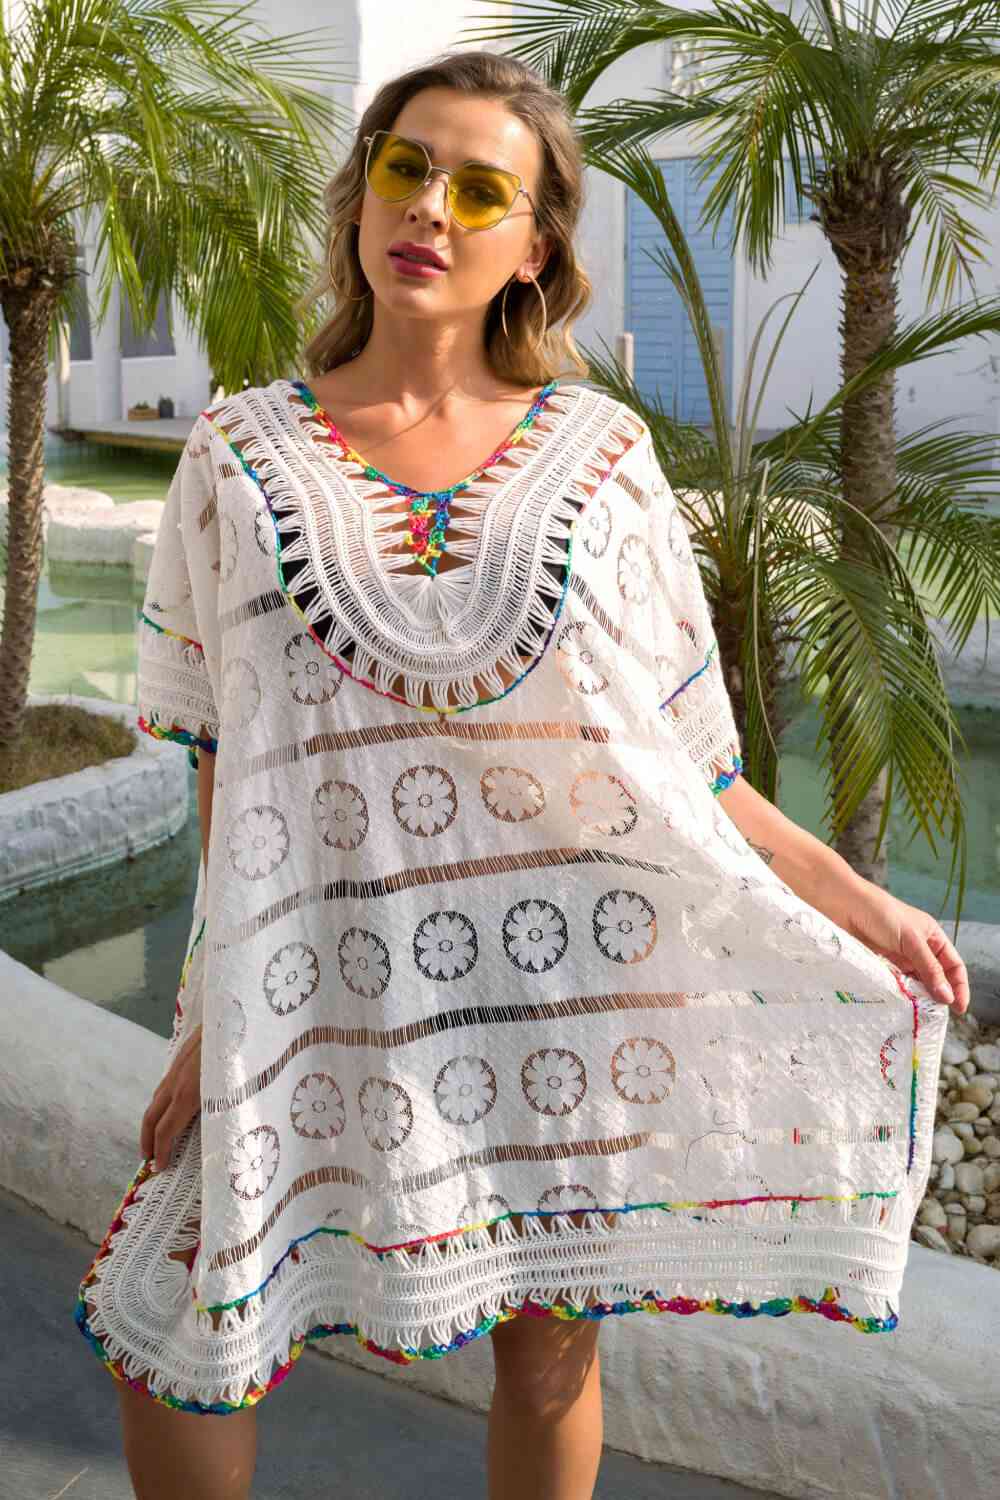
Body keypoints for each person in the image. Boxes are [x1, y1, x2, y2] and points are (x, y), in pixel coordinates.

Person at [74, 49, 966, 1500]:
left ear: (535, 248)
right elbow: (222, 760)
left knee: (549, 1350)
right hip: (320, 970)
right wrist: (214, 1001)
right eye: (405, 165)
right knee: (182, 1314)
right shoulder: (236, 454)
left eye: (480, 189)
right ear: (361, 192)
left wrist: (853, 899)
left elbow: (681, 763)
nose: (429, 206)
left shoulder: (602, 459)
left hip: (570, 968)